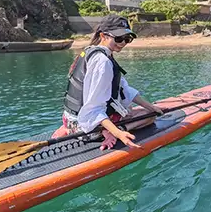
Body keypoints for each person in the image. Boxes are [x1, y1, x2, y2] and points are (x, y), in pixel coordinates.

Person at [53, 15, 163, 149]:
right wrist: (117, 133)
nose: (122, 43)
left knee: (132, 109)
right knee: (149, 117)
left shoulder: (90, 52)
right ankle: (106, 131)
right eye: (118, 38)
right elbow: (93, 109)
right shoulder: (103, 62)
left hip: (69, 119)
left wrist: (152, 107)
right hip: (86, 129)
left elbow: (125, 90)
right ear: (103, 36)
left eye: (127, 39)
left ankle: (68, 127)